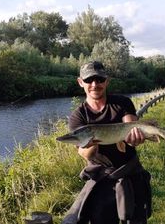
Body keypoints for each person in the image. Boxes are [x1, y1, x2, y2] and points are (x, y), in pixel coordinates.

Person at [62, 61, 152, 224]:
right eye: (89, 80)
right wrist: (92, 144)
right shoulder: (78, 116)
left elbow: (130, 128)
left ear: (107, 81)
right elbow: (84, 153)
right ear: (80, 82)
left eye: (99, 79)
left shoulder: (122, 103)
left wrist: (134, 139)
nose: (95, 84)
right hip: (101, 180)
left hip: (130, 174)